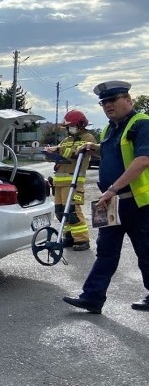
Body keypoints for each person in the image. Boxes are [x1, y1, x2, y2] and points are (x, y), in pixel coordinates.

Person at [62, 80, 149, 314]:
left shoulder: (141, 125)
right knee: (106, 252)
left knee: (146, 251)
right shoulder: (110, 128)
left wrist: (112, 189)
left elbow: (142, 161)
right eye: (104, 102)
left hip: (138, 203)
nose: (108, 105)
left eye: (113, 100)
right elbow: (113, 150)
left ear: (128, 100)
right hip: (112, 203)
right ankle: (92, 297)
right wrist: (93, 148)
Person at [44, 109, 96, 250]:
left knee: (73, 210)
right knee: (61, 211)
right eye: (68, 127)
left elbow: (77, 153)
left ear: (81, 124)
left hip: (74, 181)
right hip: (59, 182)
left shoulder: (88, 138)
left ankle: (82, 240)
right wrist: (50, 152)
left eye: (71, 126)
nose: (69, 129)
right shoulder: (66, 140)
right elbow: (59, 154)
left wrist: (61, 150)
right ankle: (69, 236)